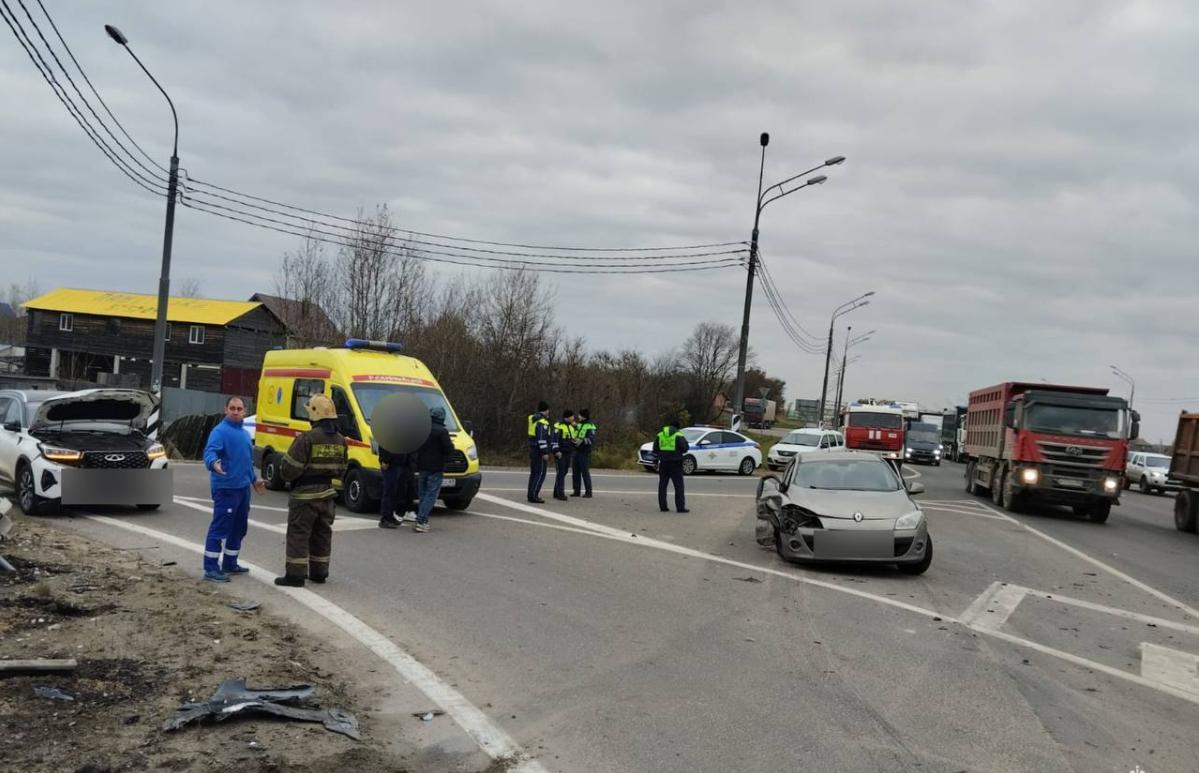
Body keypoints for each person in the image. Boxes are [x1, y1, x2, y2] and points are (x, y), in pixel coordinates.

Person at [274, 394, 348, 587]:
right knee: (322, 534)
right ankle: (319, 572)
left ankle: (295, 576)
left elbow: (288, 470)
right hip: (328, 496)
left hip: (304, 497)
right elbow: (342, 469)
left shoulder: (307, 439)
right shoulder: (341, 440)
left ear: (314, 414)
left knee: (299, 534)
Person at [201, 396, 265, 583]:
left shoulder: (245, 434)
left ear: (245, 411)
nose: (236, 412)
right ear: (226, 409)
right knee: (220, 528)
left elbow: (246, 462)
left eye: (239, 408)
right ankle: (211, 568)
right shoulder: (219, 432)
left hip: (243, 489)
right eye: (232, 408)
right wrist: (214, 464)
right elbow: (210, 452)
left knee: (239, 528)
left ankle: (230, 563)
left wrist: (254, 480)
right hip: (226, 488)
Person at [413, 405, 454, 533]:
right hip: (436, 467)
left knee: (423, 493)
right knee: (431, 494)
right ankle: (421, 520)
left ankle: (422, 519)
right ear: (442, 417)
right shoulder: (442, 431)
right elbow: (448, 449)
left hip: (422, 466)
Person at [653, 420, 690, 513]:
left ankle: (663, 507)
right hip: (676, 463)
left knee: (662, 485)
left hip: (663, 463)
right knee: (679, 487)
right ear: (677, 427)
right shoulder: (678, 435)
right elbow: (685, 448)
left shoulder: (660, 435)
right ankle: (680, 508)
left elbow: (655, 449)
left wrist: (659, 458)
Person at [378, 445, 416, 529]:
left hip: (402, 463)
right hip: (392, 463)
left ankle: (390, 516)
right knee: (389, 491)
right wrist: (385, 460)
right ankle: (385, 519)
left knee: (396, 492)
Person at [527, 400, 551, 503]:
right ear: (545, 410)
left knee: (533, 473)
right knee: (540, 473)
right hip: (539, 451)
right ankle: (534, 495)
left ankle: (530, 494)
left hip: (532, 448)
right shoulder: (542, 422)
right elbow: (542, 438)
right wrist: (545, 452)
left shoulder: (533, 418)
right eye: (548, 410)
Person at [551, 410, 578, 502]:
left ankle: (556, 491)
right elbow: (554, 440)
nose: (573, 418)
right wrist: (556, 451)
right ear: (567, 417)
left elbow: (573, 439)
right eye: (572, 416)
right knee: (561, 472)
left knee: (564, 471)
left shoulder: (571, 427)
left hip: (568, 452)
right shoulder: (558, 426)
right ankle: (560, 494)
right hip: (560, 453)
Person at [572, 408, 597, 498]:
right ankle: (576, 491)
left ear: (583, 416)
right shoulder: (578, 425)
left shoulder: (591, 426)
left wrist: (582, 441)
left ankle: (588, 492)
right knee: (575, 472)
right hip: (576, 451)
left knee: (585, 472)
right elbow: (575, 434)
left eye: (579, 415)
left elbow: (591, 439)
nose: (578, 416)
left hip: (584, 452)